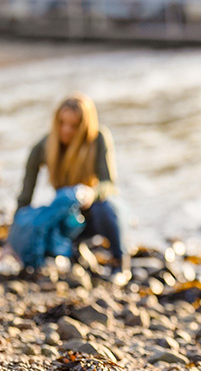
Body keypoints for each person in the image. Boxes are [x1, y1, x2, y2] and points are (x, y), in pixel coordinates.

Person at [16, 93, 129, 281]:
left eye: (74, 126)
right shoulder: (42, 147)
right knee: (40, 224)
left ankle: (121, 263)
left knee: (108, 207)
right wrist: (11, 242)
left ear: (85, 126)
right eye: (62, 123)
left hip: (92, 211)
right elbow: (25, 198)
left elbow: (109, 184)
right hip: (66, 216)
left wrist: (91, 193)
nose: (66, 130)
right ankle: (74, 251)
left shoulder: (98, 138)